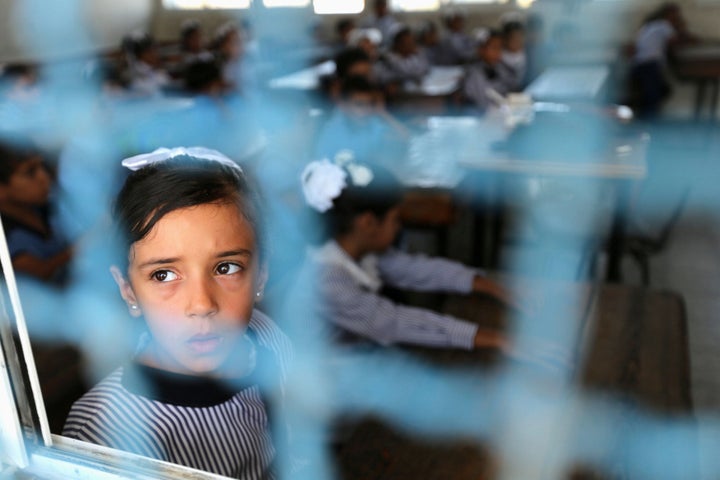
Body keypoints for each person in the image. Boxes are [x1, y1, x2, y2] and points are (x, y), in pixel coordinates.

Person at [63, 148, 292, 480]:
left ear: (261, 275)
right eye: (164, 275)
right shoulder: (104, 430)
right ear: (128, 289)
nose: (201, 305)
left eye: (226, 268)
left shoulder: (266, 334)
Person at [300, 159, 521, 351]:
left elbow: (417, 269)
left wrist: (493, 287)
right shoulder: (328, 278)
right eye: (395, 220)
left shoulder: (358, 250)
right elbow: (396, 323)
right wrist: (495, 338)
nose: (398, 228)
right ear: (367, 223)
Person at [0, 140, 72, 284]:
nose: (44, 178)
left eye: (42, 166)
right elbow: (38, 273)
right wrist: (84, 248)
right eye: (30, 172)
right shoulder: (6, 238)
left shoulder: (45, 204)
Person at [314, 76, 407, 164]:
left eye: (370, 104)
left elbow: (405, 137)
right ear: (344, 106)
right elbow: (323, 164)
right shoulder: (332, 132)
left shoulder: (372, 123)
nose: (366, 110)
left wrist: (381, 112)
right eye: (359, 105)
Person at [630, 2, 696, 117]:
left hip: (640, 64)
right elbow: (675, 42)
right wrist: (682, 29)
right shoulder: (663, 25)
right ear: (668, 14)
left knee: (661, 91)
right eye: (675, 15)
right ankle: (646, 121)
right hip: (649, 64)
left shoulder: (649, 25)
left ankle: (644, 115)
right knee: (653, 95)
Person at [462, 29, 520, 112]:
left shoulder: (504, 68)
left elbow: (514, 88)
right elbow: (481, 102)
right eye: (494, 48)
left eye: (500, 48)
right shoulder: (474, 74)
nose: (498, 52)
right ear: (481, 50)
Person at [501, 21, 527, 88]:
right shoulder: (499, 57)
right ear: (505, 39)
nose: (517, 40)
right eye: (513, 37)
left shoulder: (529, 55)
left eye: (520, 37)